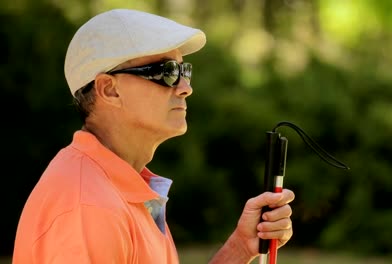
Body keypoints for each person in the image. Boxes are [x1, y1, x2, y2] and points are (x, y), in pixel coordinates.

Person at [12, 8, 294, 264]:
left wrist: (241, 247)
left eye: (184, 70)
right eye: (167, 71)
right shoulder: (89, 208)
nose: (185, 88)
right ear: (109, 90)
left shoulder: (117, 187)